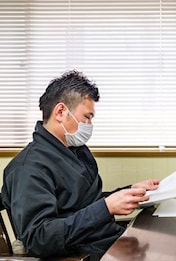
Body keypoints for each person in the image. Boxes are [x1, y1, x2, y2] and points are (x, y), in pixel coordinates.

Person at [1, 70, 160, 260]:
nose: (90, 124)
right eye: (87, 117)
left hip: (107, 239)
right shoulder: (28, 168)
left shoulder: (76, 151)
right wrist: (106, 207)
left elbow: (85, 204)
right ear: (60, 112)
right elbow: (39, 238)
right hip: (85, 253)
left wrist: (130, 192)